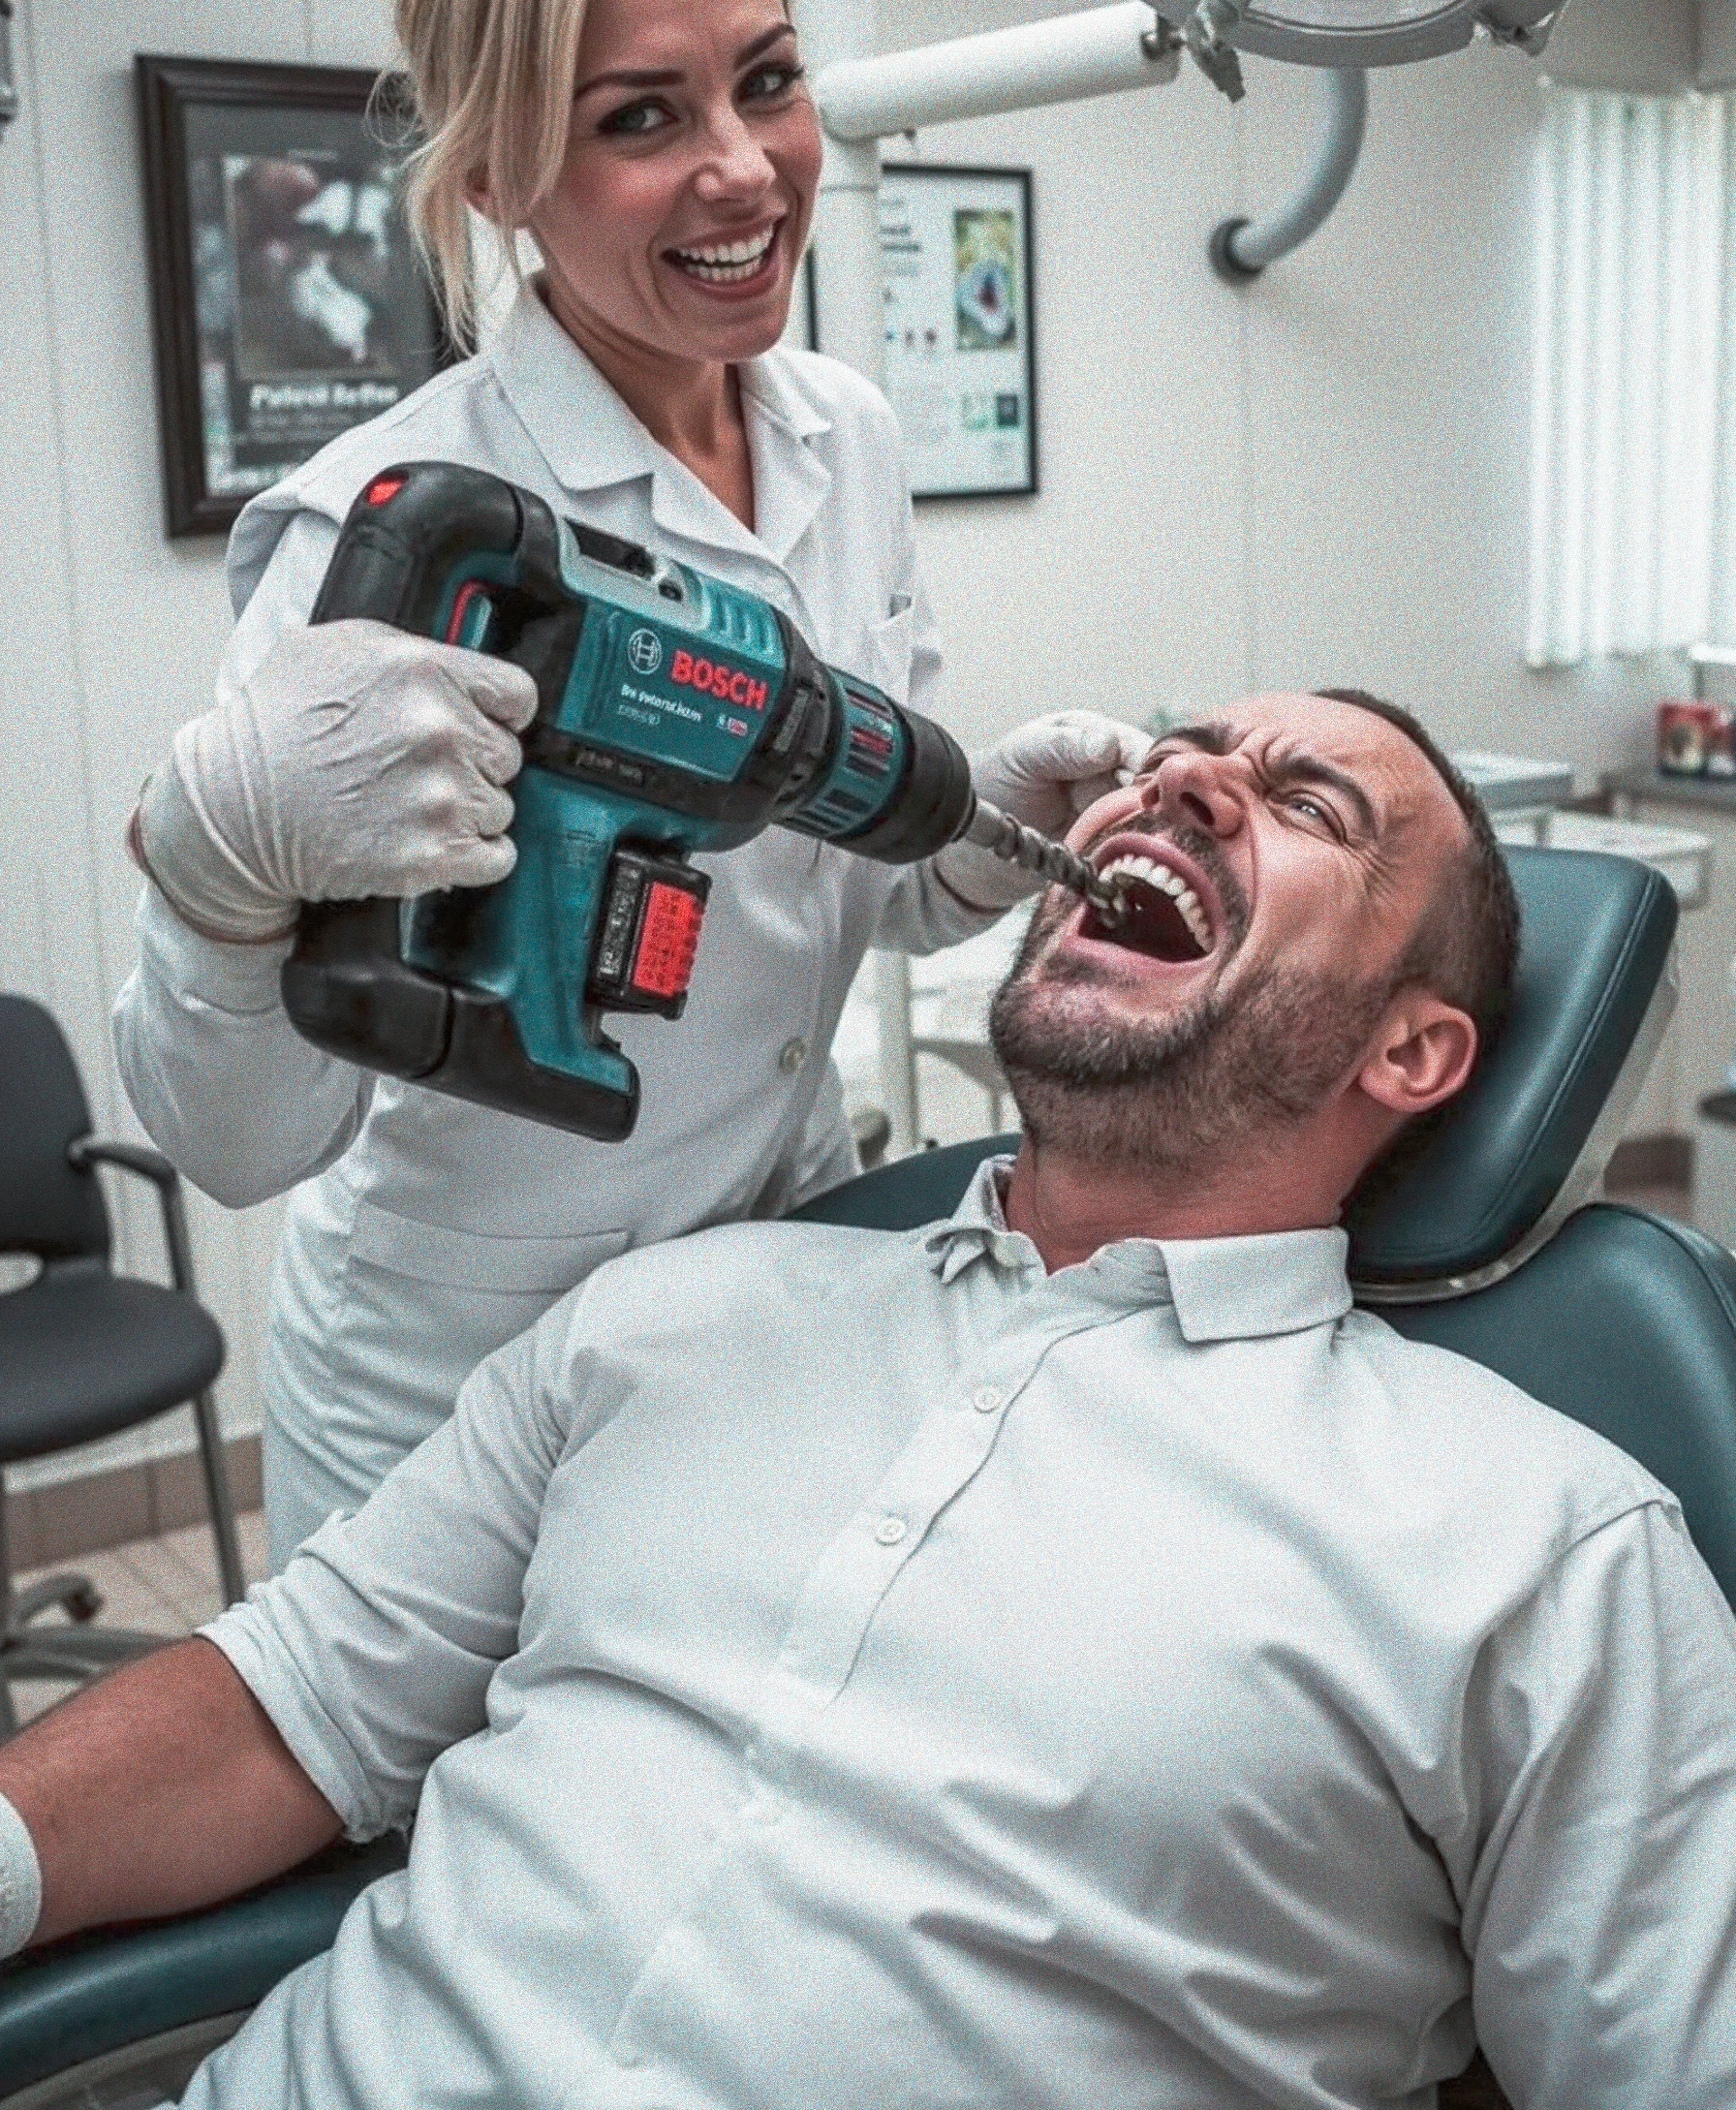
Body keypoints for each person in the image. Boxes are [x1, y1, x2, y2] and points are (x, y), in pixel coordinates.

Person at [14, 689, 1735, 2108]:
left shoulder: (1542, 1550)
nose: (1184, 774)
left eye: (1308, 801)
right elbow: (285, 1705)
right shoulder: (677, 1310)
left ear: (1414, 1052)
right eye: (1179, 751)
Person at [111, 0, 1148, 1567]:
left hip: (783, 1278)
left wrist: (967, 845)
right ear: (502, 173)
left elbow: (809, 893)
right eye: (639, 119)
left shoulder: (850, 437)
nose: (743, 166)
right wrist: (221, 877)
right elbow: (241, 1139)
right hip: (463, 1366)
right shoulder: (386, 542)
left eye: (768, 79)